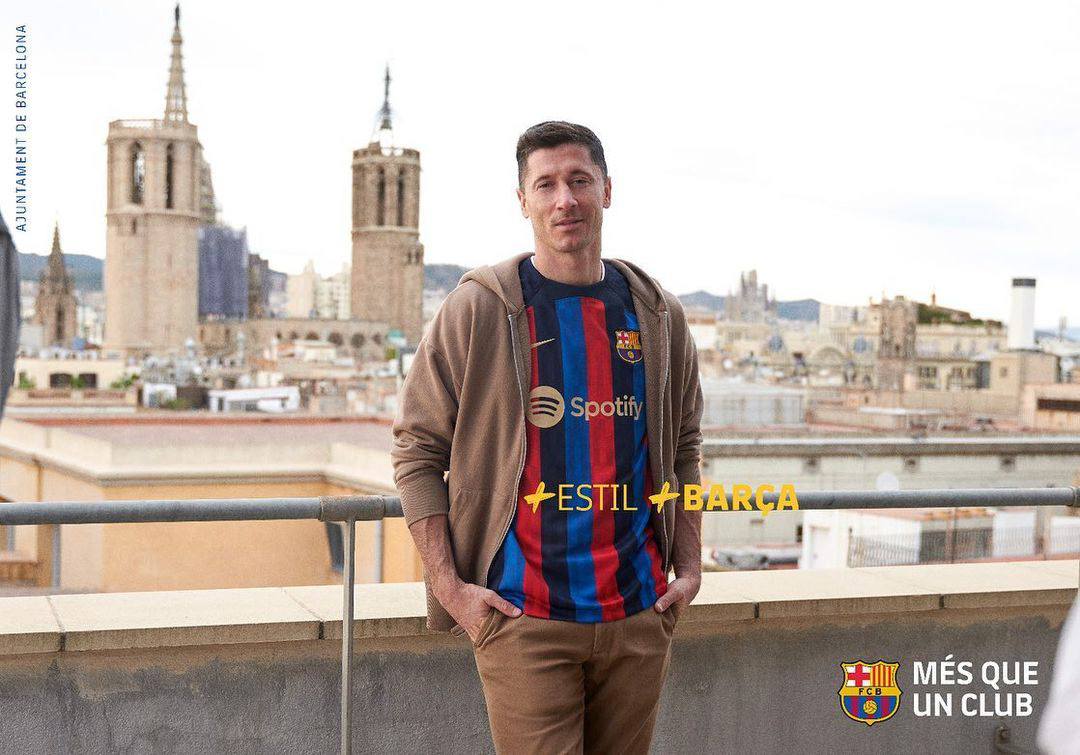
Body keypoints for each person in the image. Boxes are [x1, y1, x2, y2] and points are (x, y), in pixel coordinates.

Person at [391, 120, 704, 754]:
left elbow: (685, 449)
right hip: (523, 617)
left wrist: (691, 563)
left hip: (638, 612)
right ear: (523, 200)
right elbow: (416, 452)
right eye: (546, 184)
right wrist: (450, 589)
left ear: (607, 190)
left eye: (580, 180)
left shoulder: (658, 315)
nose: (565, 199)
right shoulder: (479, 309)